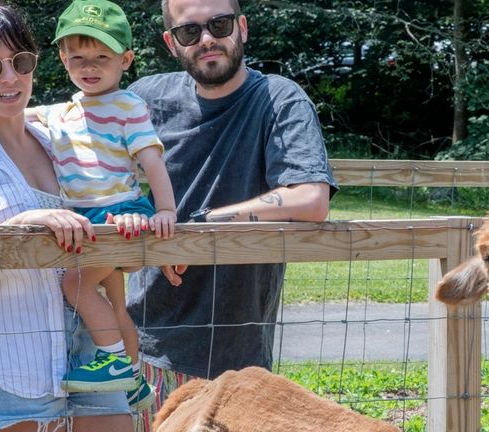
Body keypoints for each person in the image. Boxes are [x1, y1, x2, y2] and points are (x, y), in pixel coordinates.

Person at [0, 1, 135, 430]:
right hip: (10, 366)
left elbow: (118, 194)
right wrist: (16, 232)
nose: (10, 77)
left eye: (21, 61)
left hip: (92, 355)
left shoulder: (62, 138)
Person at [120, 0, 338, 429]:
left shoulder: (277, 99)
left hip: (237, 359)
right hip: (143, 340)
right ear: (171, 42)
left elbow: (311, 198)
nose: (206, 39)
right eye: (189, 31)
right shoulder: (146, 99)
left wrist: (202, 224)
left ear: (241, 27)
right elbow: (71, 134)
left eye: (218, 24)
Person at [27, 0, 175, 411]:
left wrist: (165, 211)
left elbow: (151, 159)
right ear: (62, 58)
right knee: (111, 295)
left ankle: (111, 362)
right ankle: (132, 378)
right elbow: (13, 116)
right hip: (86, 218)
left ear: (125, 60)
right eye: (78, 58)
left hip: (121, 213)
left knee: (74, 285)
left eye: (102, 58)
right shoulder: (63, 111)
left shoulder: (128, 106)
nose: (89, 67)